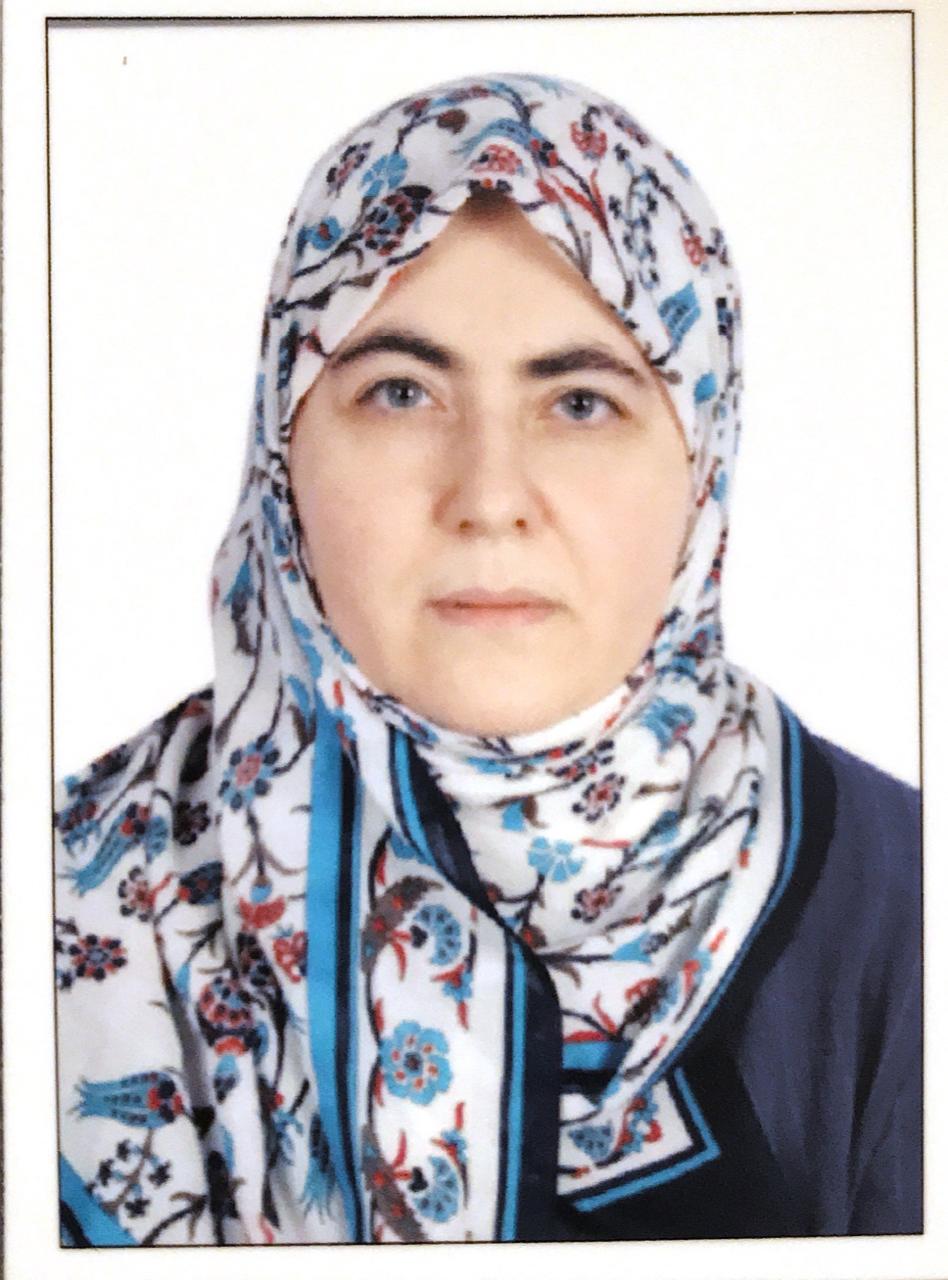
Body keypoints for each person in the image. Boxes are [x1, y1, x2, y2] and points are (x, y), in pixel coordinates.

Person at [53, 71, 921, 1246]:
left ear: (701, 461)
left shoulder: (906, 909)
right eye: (400, 391)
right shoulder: (64, 899)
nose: (490, 496)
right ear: (281, 448)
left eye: (581, 402)